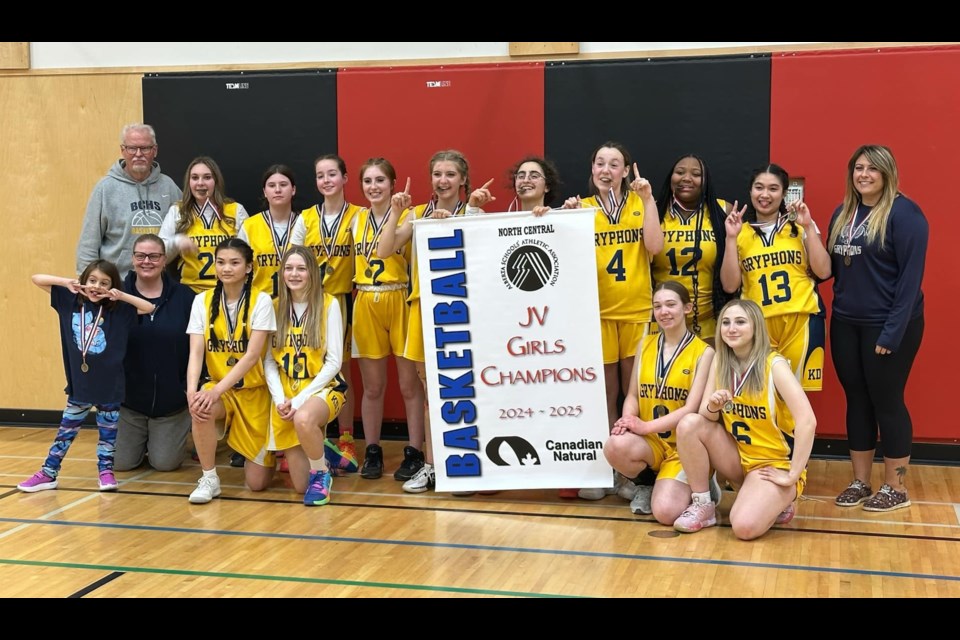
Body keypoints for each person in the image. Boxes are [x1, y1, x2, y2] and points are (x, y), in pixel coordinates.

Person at [827, 145, 928, 512]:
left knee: (887, 401)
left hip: (888, 324)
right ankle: (861, 481)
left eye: (872, 168)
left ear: (887, 173)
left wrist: (892, 332)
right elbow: (836, 270)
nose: (863, 174)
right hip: (846, 323)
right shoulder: (843, 214)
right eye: (858, 168)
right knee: (856, 400)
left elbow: (910, 282)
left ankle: (895, 488)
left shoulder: (906, 214)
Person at [562, 142, 664, 500]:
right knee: (602, 394)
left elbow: (654, 246)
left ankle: (635, 473)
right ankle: (607, 467)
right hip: (596, 314)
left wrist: (650, 199)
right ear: (592, 169)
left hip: (636, 311)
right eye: (600, 163)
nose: (607, 169)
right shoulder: (582, 208)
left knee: (633, 395)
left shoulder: (640, 203)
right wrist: (562, 218)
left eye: (615, 163)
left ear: (626, 170)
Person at [671, 299, 816, 539]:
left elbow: (808, 422)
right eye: (726, 322)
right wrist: (713, 404)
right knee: (689, 424)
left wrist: (793, 474)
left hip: (773, 464)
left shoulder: (775, 365)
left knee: (744, 528)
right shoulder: (720, 361)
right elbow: (706, 416)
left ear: (756, 327)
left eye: (740, 322)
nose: (731, 328)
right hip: (739, 459)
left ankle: (782, 496)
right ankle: (703, 504)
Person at [379, 150, 474, 493]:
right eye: (437, 174)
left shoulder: (475, 213)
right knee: (432, 395)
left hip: (464, 313)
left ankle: (469, 465)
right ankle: (433, 466)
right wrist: (394, 211)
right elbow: (383, 250)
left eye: (450, 174)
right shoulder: (418, 214)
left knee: (467, 390)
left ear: (463, 179)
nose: (443, 180)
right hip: (424, 310)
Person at [17, 260, 156, 492]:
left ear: (112, 286)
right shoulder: (69, 301)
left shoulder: (119, 310)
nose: (96, 286)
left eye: (104, 283)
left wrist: (120, 295)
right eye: (92, 280)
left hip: (110, 386)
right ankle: (48, 472)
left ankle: (106, 473)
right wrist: (67, 283)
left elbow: (148, 307)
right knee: (66, 432)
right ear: (84, 281)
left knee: (108, 436)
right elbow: (36, 278)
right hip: (80, 385)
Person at [604, 282, 716, 521]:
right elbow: (632, 394)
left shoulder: (704, 352)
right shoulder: (645, 344)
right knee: (615, 445)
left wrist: (644, 426)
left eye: (670, 305)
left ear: (687, 308)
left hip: (682, 448)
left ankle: (701, 478)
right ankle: (646, 484)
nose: (663, 311)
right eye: (657, 306)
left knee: (665, 513)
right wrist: (628, 419)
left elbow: (691, 409)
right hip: (652, 443)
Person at [720, 164, 831, 391]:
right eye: (759, 187)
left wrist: (809, 227)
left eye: (773, 189)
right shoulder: (739, 231)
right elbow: (730, 285)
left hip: (801, 319)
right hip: (757, 324)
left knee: (796, 397)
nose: (765, 195)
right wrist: (730, 239)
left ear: (783, 193)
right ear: (750, 191)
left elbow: (824, 271)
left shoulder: (800, 227)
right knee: (760, 395)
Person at [185, 238, 277, 504]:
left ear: (248, 267)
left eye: (235, 263)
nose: (226, 268)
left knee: (257, 484)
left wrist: (215, 391)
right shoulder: (201, 301)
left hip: (254, 393)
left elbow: (250, 357)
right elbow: (195, 353)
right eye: (221, 262)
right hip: (219, 389)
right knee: (200, 406)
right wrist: (192, 391)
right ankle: (209, 477)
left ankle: (276, 452)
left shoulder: (261, 301)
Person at [351, 158, 425, 482]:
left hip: (399, 297)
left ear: (393, 183)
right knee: (373, 386)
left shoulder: (411, 215)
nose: (374, 187)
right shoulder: (355, 219)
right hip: (365, 299)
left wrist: (397, 211)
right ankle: (372, 449)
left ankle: (414, 451)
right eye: (368, 181)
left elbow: (385, 249)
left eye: (380, 180)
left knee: (409, 386)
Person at [290, 154, 360, 470]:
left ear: (345, 178)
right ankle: (317, 437)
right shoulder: (305, 218)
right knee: (308, 366)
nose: (327, 180)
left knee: (340, 369)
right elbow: (292, 257)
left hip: (343, 300)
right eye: (321, 175)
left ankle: (346, 438)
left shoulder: (358, 216)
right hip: (308, 302)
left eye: (333, 174)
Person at [264, 246, 348, 506]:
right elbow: (268, 360)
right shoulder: (273, 306)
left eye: (301, 268)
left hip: (324, 388)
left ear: (312, 272)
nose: (294, 274)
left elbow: (334, 361)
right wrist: (280, 399)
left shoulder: (329, 304)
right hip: (286, 390)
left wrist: (299, 400)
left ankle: (322, 474)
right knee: (300, 486)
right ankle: (325, 453)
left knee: (303, 418)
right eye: (289, 268)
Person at [115, 234, 196, 472]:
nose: (146, 261)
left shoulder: (185, 297)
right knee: (121, 464)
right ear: (132, 259)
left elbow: (198, 345)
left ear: (164, 260)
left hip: (172, 405)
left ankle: (160, 437)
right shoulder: (117, 295)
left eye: (153, 256)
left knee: (165, 464)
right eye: (140, 256)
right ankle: (139, 440)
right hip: (129, 404)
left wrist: (188, 387)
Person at [76, 123, 182, 278]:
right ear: (123, 151)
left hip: (159, 285)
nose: (138, 154)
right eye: (132, 148)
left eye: (145, 148)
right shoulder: (105, 188)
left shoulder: (169, 187)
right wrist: (86, 282)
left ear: (155, 150)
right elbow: (88, 244)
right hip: (117, 285)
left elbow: (189, 228)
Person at [652, 154, 733, 343]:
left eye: (696, 174)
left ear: (706, 181)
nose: (686, 178)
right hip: (662, 322)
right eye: (679, 172)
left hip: (707, 322)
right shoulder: (653, 211)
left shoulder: (723, 210)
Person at [159, 156, 249, 294]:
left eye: (207, 177)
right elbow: (159, 255)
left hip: (229, 291)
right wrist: (176, 241)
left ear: (216, 181)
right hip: (190, 292)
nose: (200, 183)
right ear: (189, 182)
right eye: (195, 178)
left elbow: (249, 254)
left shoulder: (235, 210)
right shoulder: (178, 211)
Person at [238, 164, 299, 299]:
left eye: (283, 185)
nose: (277, 190)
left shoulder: (305, 224)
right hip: (261, 305)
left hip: (298, 304)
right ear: (265, 192)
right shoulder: (249, 226)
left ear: (293, 190)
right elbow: (240, 270)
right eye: (271, 186)